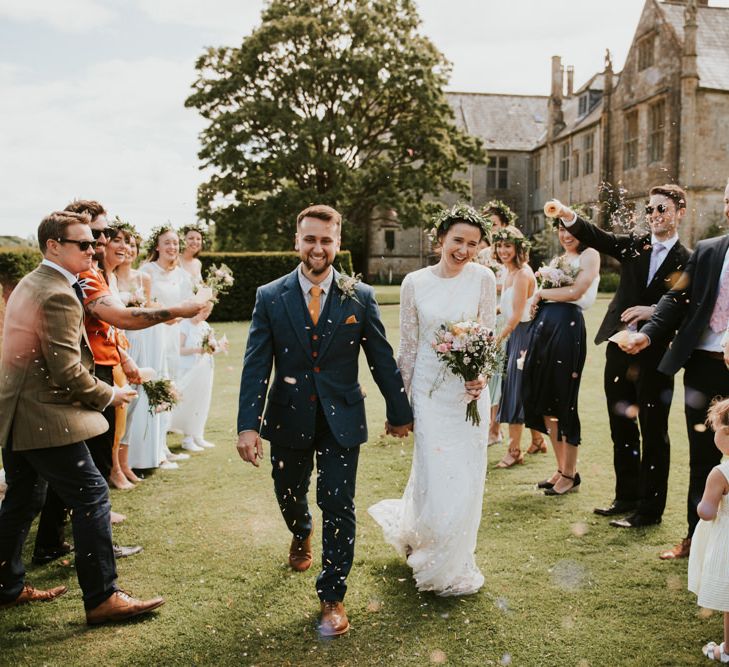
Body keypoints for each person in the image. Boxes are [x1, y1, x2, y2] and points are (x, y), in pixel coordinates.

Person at [236, 204, 413, 637]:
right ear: (297, 241)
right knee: (289, 491)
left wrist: (399, 411)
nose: (318, 247)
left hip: (342, 419)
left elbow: (381, 360)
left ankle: (332, 596)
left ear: (337, 243)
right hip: (287, 418)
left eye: (326, 239)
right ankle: (300, 529)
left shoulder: (360, 296)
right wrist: (247, 425)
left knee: (338, 503)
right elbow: (256, 365)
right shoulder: (269, 296)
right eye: (310, 239)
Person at [0, 210, 164, 624]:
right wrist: (112, 394)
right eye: (85, 243)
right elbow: (68, 371)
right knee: (92, 495)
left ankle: (6, 585)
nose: (95, 248)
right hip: (41, 417)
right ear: (54, 245)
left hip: (15, 414)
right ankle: (102, 597)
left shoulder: (34, 282)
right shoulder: (56, 292)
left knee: (24, 498)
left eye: (95, 242)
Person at [32, 202, 204, 564]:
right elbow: (119, 318)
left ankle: (50, 542)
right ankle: (90, 548)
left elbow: (107, 328)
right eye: (95, 235)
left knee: (75, 471)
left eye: (105, 235)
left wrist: (126, 358)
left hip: (106, 364)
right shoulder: (79, 276)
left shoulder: (86, 272)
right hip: (90, 374)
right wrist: (176, 310)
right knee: (91, 471)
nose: (101, 242)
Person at [369, 204, 496, 596]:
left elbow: (488, 339)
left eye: (472, 244)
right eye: (458, 240)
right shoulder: (414, 283)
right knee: (435, 476)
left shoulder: (485, 278)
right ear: (440, 238)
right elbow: (408, 348)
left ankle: (453, 559)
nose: (464, 250)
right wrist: (400, 407)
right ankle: (428, 544)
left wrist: (482, 376)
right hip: (427, 392)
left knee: (467, 478)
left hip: (467, 395)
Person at [549, 186, 691, 523]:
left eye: (662, 209)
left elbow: (688, 303)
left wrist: (652, 308)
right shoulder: (635, 245)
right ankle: (625, 497)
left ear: (680, 212)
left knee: (653, 430)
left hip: (656, 355)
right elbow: (598, 236)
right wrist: (568, 214)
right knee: (621, 426)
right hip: (618, 349)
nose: (655, 216)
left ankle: (649, 509)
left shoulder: (689, 259)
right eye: (651, 210)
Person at [620, 179, 729, 557]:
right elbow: (674, 298)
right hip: (702, 368)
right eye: (728, 201)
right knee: (702, 455)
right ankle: (695, 541)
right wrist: (648, 335)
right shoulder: (709, 250)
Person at [522, 219, 600, 495]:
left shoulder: (590, 255)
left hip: (567, 327)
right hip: (545, 325)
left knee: (563, 399)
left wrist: (540, 293)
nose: (565, 235)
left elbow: (578, 291)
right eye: (561, 230)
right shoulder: (560, 259)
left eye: (571, 229)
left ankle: (570, 473)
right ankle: (560, 469)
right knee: (545, 400)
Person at [116, 230, 168, 474]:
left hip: (139, 341)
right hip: (118, 339)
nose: (129, 248)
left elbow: (147, 311)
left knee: (134, 401)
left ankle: (125, 464)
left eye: (133, 244)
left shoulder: (143, 278)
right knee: (117, 403)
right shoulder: (109, 277)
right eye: (124, 242)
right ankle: (114, 465)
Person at [687, 397, 729, 663]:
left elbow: (707, 511)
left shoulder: (721, 473)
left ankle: (727, 649)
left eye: (715, 430)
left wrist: (702, 505)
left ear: (726, 434)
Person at [492, 226, 538, 468]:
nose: (502, 250)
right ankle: (538, 440)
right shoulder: (507, 272)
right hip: (514, 335)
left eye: (507, 246)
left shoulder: (522, 274)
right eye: (499, 246)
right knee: (521, 391)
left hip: (524, 337)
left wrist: (496, 340)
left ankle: (514, 451)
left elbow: (517, 314)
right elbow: (506, 307)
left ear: (518, 248)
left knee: (515, 393)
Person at [171, 302, 227, 451]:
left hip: (205, 369)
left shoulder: (206, 327)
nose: (206, 315)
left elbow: (209, 350)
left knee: (202, 401)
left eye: (208, 312)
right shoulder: (184, 325)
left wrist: (219, 347)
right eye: (204, 312)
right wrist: (198, 350)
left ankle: (198, 435)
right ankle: (188, 438)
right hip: (188, 369)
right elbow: (179, 349)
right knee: (189, 402)